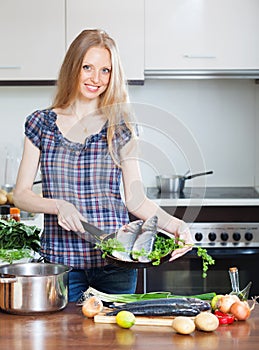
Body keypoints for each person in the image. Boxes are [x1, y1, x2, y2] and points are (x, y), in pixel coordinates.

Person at [13, 29, 194, 302]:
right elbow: (21, 194)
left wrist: (177, 225)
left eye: (105, 70)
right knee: (64, 343)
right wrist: (57, 205)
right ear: (73, 66)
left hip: (116, 266)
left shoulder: (121, 128)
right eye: (88, 67)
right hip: (62, 265)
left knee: (115, 342)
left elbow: (136, 201)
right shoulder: (41, 124)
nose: (96, 79)